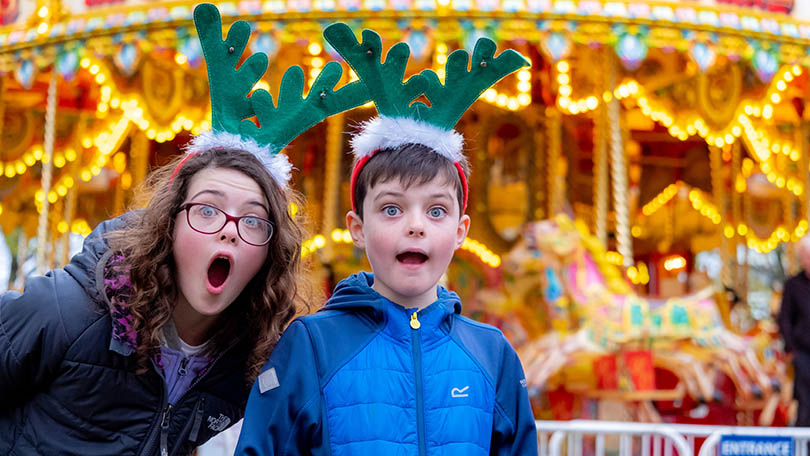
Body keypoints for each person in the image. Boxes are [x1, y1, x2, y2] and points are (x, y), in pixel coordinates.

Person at [0, 4, 368, 455]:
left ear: (269, 254)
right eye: (207, 211)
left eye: (253, 220)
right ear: (169, 225)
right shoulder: (70, 311)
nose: (230, 231)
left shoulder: (244, 361)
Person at [235, 23, 538, 455]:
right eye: (392, 209)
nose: (415, 226)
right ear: (357, 227)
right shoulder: (313, 344)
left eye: (436, 211)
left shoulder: (493, 354)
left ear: (460, 231)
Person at [779, 236, 810, 426]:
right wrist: (791, 348)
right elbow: (784, 318)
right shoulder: (793, 285)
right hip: (803, 352)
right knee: (805, 400)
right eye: (806, 256)